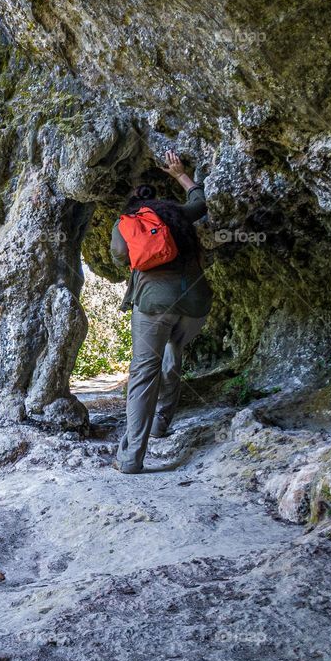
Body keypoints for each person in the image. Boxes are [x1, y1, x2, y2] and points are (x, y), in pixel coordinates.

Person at [109, 150, 213, 474]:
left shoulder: (125, 223)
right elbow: (201, 200)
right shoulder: (178, 214)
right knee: (173, 353)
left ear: (132, 205)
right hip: (195, 305)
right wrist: (180, 173)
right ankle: (160, 424)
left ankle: (131, 458)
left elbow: (119, 257)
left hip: (154, 305)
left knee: (143, 373)